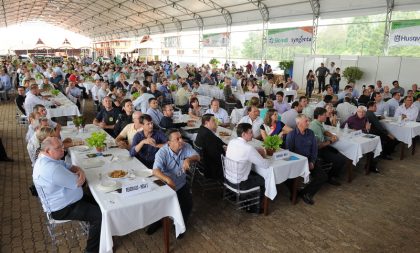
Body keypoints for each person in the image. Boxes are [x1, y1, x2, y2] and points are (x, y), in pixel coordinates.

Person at [33, 137, 101, 252]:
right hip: (62, 208)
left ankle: (101, 232)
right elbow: (80, 182)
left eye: (62, 146)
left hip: (70, 200)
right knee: (100, 215)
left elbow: (69, 166)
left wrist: (80, 171)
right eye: (58, 148)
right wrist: (81, 174)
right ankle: (91, 250)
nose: (63, 150)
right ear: (47, 150)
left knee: (101, 203)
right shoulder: (51, 168)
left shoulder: (48, 158)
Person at [149, 129, 199, 234]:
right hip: (167, 185)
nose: (181, 140)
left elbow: (197, 156)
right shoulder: (162, 153)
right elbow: (155, 171)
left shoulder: (185, 146)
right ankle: (157, 222)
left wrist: (188, 159)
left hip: (181, 184)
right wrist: (168, 179)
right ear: (169, 142)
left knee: (188, 205)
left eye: (181, 137)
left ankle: (180, 227)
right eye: (177, 139)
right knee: (160, 206)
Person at [226, 123, 268, 213]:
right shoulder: (248, 148)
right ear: (243, 134)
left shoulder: (232, 142)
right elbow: (265, 165)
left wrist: (255, 151)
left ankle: (242, 199)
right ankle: (254, 208)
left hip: (228, 179)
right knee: (263, 180)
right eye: (250, 132)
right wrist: (263, 154)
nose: (252, 134)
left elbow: (245, 151)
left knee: (253, 174)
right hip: (239, 183)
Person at [286, 114, 327, 205]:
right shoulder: (291, 135)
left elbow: (314, 149)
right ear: (298, 123)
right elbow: (290, 153)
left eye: (308, 121)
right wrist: (301, 163)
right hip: (296, 162)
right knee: (288, 178)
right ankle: (294, 192)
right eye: (306, 121)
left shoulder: (310, 133)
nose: (308, 123)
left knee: (322, 176)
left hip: (309, 161)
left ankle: (305, 193)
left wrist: (312, 161)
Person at [309, 107, 346, 186]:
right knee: (341, 159)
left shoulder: (318, 123)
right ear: (319, 116)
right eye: (325, 115)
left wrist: (332, 135)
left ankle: (330, 172)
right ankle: (330, 177)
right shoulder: (314, 126)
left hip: (322, 147)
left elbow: (324, 131)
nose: (327, 116)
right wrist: (331, 141)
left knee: (338, 152)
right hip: (318, 150)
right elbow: (319, 145)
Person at [194, 114, 226, 180]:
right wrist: (224, 150)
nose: (216, 123)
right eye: (213, 121)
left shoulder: (202, 129)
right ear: (206, 123)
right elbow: (216, 155)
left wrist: (222, 145)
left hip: (204, 163)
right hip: (211, 168)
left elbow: (216, 139)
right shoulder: (207, 135)